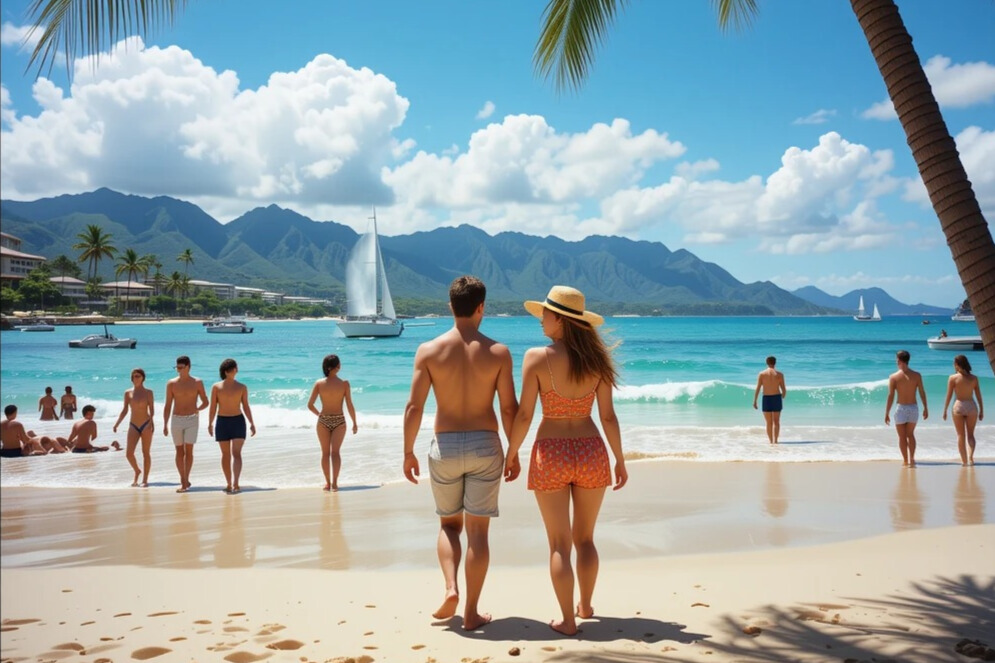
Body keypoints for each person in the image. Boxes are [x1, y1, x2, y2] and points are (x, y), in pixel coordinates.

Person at [505, 285, 626, 636]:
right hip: (591, 450)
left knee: (559, 543)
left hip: (551, 452)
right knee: (585, 539)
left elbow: (525, 414)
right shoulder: (597, 362)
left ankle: (568, 621)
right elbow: (607, 417)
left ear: (560, 318)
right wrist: (620, 459)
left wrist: (512, 453)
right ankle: (586, 605)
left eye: (545, 313)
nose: (541, 318)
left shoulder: (535, 357)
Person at [402, 275, 518, 631]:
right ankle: (471, 612)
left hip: (446, 445)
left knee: (449, 525)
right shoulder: (498, 352)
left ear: (450, 305)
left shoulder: (429, 351)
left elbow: (414, 408)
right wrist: (513, 452)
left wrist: (407, 451)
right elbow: (510, 409)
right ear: (482, 307)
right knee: (478, 534)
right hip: (486, 444)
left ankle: (450, 587)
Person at [307, 354, 358, 491]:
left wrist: (320, 415)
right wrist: (354, 422)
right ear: (336, 367)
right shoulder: (344, 384)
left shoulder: (319, 383)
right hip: (339, 420)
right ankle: (334, 483)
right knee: (335, 453)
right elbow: (349, 405)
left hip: (323, 421)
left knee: (325, 453)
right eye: (339, 364)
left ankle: (328, 483)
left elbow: (310, 405)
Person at [208, 358, 256, 494]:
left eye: (235, 368)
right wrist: (210, 423)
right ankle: (228, 482)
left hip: (238, 421)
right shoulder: (216, 387)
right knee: (225, 454)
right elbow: (213, 407)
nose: (234, 371)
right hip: (222, 421)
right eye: (231, 369)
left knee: (236, 453)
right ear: (225, 372)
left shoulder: (242, 387)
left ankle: (236, 483)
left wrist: (252, 423)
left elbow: (246, 406)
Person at [163, 356, 209, 493]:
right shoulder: (171, 383)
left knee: (189, 451)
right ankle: (183, 478)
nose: (179, 370)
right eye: (177, 367)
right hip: (176, 419)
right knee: (179, 451)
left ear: (188, 367)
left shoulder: (197, 382)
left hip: (192, 419)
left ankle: (185, 480)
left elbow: (206, 401)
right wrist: (165, 424)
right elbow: (168, 405)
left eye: (181, 367)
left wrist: (198, 409)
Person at [885, 350, 928, 467]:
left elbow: (891, 396)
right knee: (910, 434)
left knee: (902, 437)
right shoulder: (917, 375)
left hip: (901, 409)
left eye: (896, 359)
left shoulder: (893, 377)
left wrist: (887, 412)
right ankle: (912, 459)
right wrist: (925, 408)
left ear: (899, 360)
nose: (896, 361)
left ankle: (905, 460)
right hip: (913, 408)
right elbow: (922, 393)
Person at [113, 368, 156, 486]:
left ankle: (145, 479)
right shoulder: (128, 393)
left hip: (146, 424)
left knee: (145, 452)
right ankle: (137, 470)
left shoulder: (148, 392)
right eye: (134, 376)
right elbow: (125, 410)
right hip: (133, 425)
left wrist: (152, 422)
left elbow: (152, 410)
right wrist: (117, 423)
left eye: (138, 376)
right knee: (129, 453)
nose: (136, 378)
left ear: (143, 378)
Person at [942, 354, 984, 466]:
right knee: (971, 435)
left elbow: (949, 395)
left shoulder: (953, 378)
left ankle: (964, 461)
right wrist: (981, 410)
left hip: (959, 406)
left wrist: (945, 409)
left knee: (960, 435)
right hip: (971, 406)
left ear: (957, 365)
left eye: (954, 364)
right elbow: (979, 396)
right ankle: (971, 457)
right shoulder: (974, 378)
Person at [752, 356, 787, 444]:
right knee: (776, 421)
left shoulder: (762, 374)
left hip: (766, 398)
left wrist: (755, 400)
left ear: (767, 363)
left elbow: (758, 388)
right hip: (776, 398)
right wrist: (782, 397)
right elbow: (784, 390)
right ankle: (776, 441)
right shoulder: (779, 374)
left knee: (768, 422)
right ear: (775, 363)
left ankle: (771, 441)